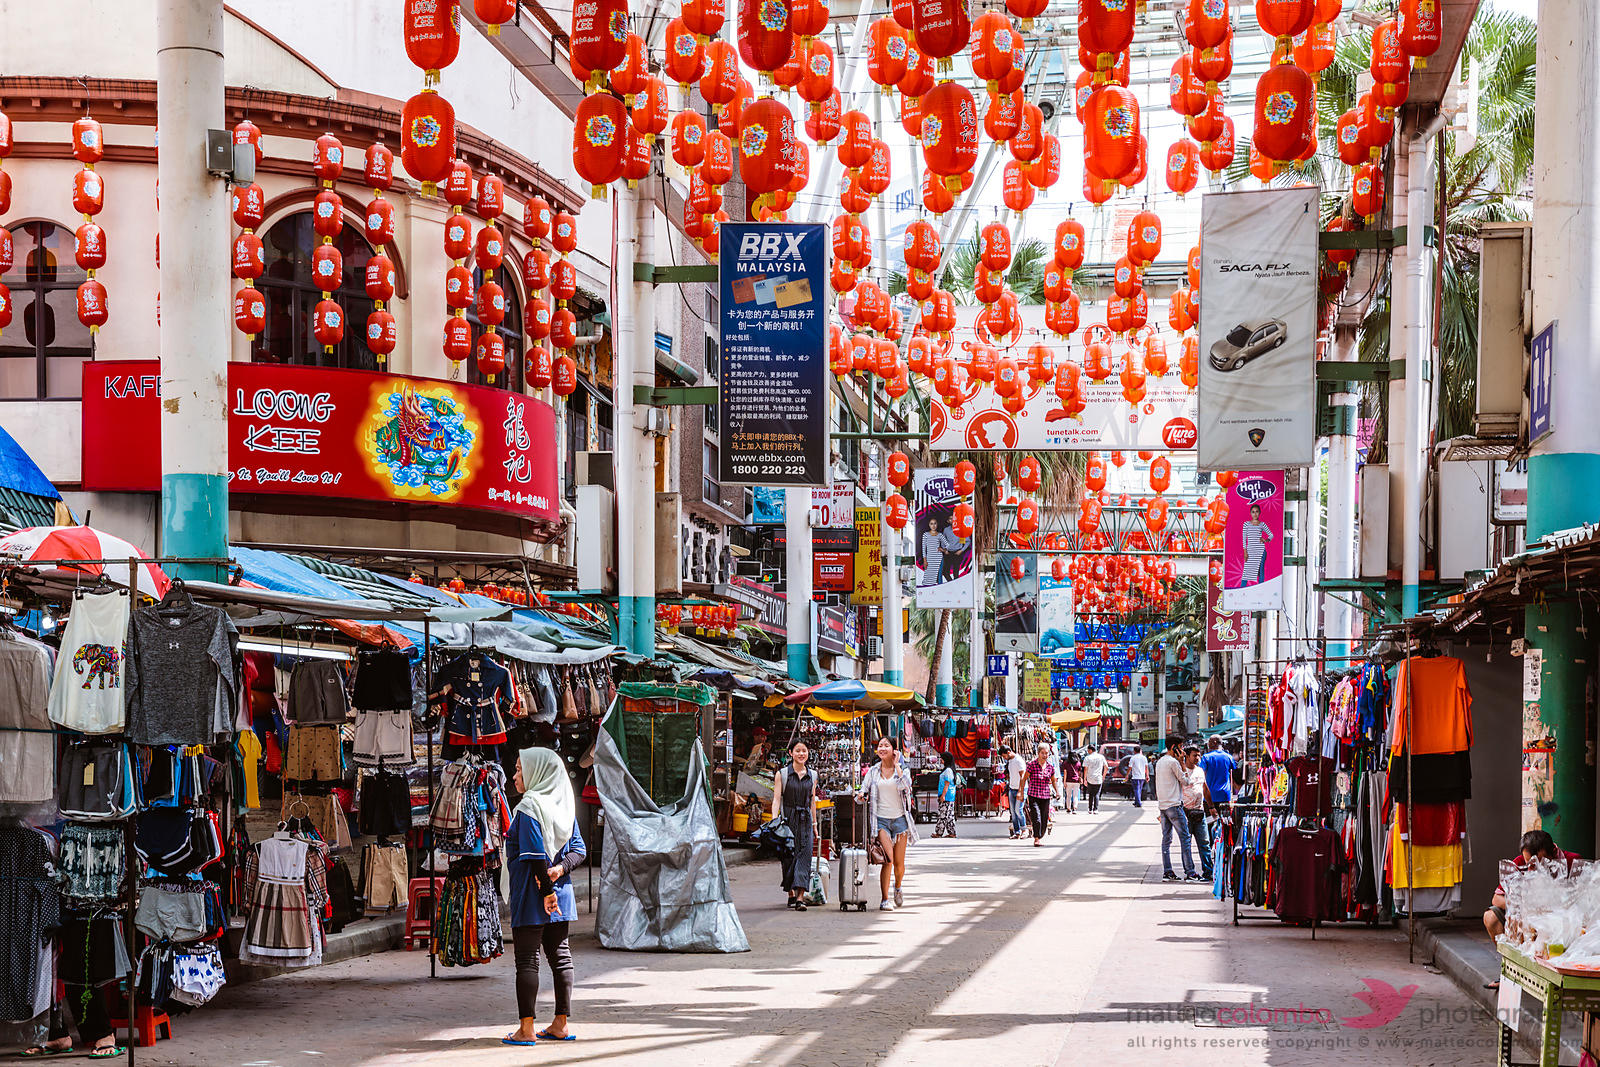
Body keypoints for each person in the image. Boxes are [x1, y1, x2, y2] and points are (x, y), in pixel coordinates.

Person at [504, 747, 587, 1046]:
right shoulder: (565, 806)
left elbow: (534, 854)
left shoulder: (530, 807)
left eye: (520, 770)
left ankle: (526, 1030)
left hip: (533, 894)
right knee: (561, 958)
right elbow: (580, 851)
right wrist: (560, 871)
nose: (515, 776)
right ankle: (560, 1024)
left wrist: (547, 887)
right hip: (560, 894)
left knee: (527, 961)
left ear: (538, 772)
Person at [1484, 830, 1583, 940]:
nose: (1534, 870)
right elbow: (1497, 899)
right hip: (1527, 915)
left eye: (1540, 863)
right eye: (1529, 864)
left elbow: (1582, 898)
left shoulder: (1572, 861)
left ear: (1553, 852)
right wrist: (1524, 908)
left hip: (1561, 915)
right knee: (1491, 917)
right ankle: (1509, 955)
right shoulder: (1519, 863)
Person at [859, 737, 917, 910]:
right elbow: (864, 788)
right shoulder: (873, 771)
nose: (882, 749)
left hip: (900, 821)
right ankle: (885, 899)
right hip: (881, 820)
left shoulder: (904, 769)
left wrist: (898, 765)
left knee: (899, 865)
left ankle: (897, 887)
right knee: (888, 860)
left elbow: (906, 787)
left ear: (894, 750)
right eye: (880, 746)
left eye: (886, 746)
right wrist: (861, 795)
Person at [770, 739, 819, 911]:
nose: (801, 754)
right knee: (788, 858)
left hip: (805, 819)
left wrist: (815, 823)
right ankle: (790, 892)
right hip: (788, 819)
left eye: (804, 751)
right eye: (797, 750)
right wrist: (774, 820)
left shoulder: (812, 775)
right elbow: (776, 799)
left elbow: (812, 801)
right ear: (790, 753)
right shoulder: (782, 774)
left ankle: (800, 898)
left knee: (804, 857)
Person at [1153, 740, 1199, 882]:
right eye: (1181, 747)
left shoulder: (1160, 762)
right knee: (1185, 838)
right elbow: (1186, 781)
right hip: (1174, 805)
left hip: (1163, 806)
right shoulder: (1173, 762)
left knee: (1166, 839)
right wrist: (1183, 764)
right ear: (1174, 748)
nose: (1183, 751)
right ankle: (1190, 872)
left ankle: (1168, 871)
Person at [1180, 745, 1213, 881]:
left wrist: (1211, 806)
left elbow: (1205, 788)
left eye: (1199, 755)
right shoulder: (1181, 771)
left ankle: (1208, 871)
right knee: (1186, 844)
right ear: (1187, 756)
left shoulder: (1200, 770)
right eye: (1194, 755)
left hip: (1200, 812)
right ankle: (1190, 872)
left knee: (1204, 843)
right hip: (1185, 812)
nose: (1197, 758)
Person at [1023, 742, 1059, 846]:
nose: (1045, 755)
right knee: (1036, 817)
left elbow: (1053, 781)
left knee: (1044, 819)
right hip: (1033, 795)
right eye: (1042, 753)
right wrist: (1021, 792)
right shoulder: (1032, 765)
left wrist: (1057, 792)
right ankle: (1036, 838)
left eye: (1047, 753)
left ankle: (1040, 835)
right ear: (1038, 753)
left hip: (1045, 795)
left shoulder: (1050, 767)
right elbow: (1024, 779)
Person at [1198, 736, 1237, 808]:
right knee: (1224, 818)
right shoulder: (1229, 757)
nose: (1208, 744)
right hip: (1225, 795)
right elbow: (1232, 775)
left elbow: (1201, 775)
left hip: (1209, 795)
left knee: (1210, 818)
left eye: (1209, 741)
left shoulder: (1206, 757)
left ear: (1214, 742)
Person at [1242, 503, 1273, 586]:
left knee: (1260, 570)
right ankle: (1241, 591)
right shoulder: (1246, 524)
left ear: (1259, 513)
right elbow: (1244, 539)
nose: (1255, 514)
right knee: (1246, 572)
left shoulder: (1262, 524)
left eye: (1257, 512)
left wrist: (1266, 540)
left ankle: (1260, 589)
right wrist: (1245, 552)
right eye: (1253, 512)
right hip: (1250, 551)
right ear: (1250, 513)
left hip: (1261, 551)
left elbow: (1271, 535)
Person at [1003, 744, 1027, 838]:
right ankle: (1017, 832)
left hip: (1020, 789)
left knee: (1018, 810)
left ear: (1008, 752)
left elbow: (1022, 777)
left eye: (1004, 756)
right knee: (1013, 812)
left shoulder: (1018, 760)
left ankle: (1024, 829)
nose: (1004, 758)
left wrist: (1020, 791)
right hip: (1012, 788)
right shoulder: (1010, 761)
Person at [933, 752, 959, 838]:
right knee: (949, 815)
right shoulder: (948, 769)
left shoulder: (948, 770)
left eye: (942, 758)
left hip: (947, 796)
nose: (941, 760)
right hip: (950, 796)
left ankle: (939, 832)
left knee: (942, 814)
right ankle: (952, 832)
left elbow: (946, 784)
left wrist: (943, 795)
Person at [1082, 744, 1106, 814]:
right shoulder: (1101, 757)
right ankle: (1095, 809)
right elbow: (1106, 767)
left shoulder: (1087, 758)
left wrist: (1084, 779)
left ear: (1090, 750)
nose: (1088, 751)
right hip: (1098, 778)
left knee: (1090, 794)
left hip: (1090, 778)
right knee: (1096, 794)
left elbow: (1085, 769)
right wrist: (1103, 776)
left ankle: (1090, 809)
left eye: (1088, 750)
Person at [1061, 747, 1083, 813]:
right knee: (1075, 795)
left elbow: (1065, 773)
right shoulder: (1078, 763)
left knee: (1068, 795)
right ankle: (1075, 808)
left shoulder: (1065, 763)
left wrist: (1064, 782)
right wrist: (1080, 778)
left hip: (1068, 781)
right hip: (1076, 781)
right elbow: (1079, 773)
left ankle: (1068, 808)